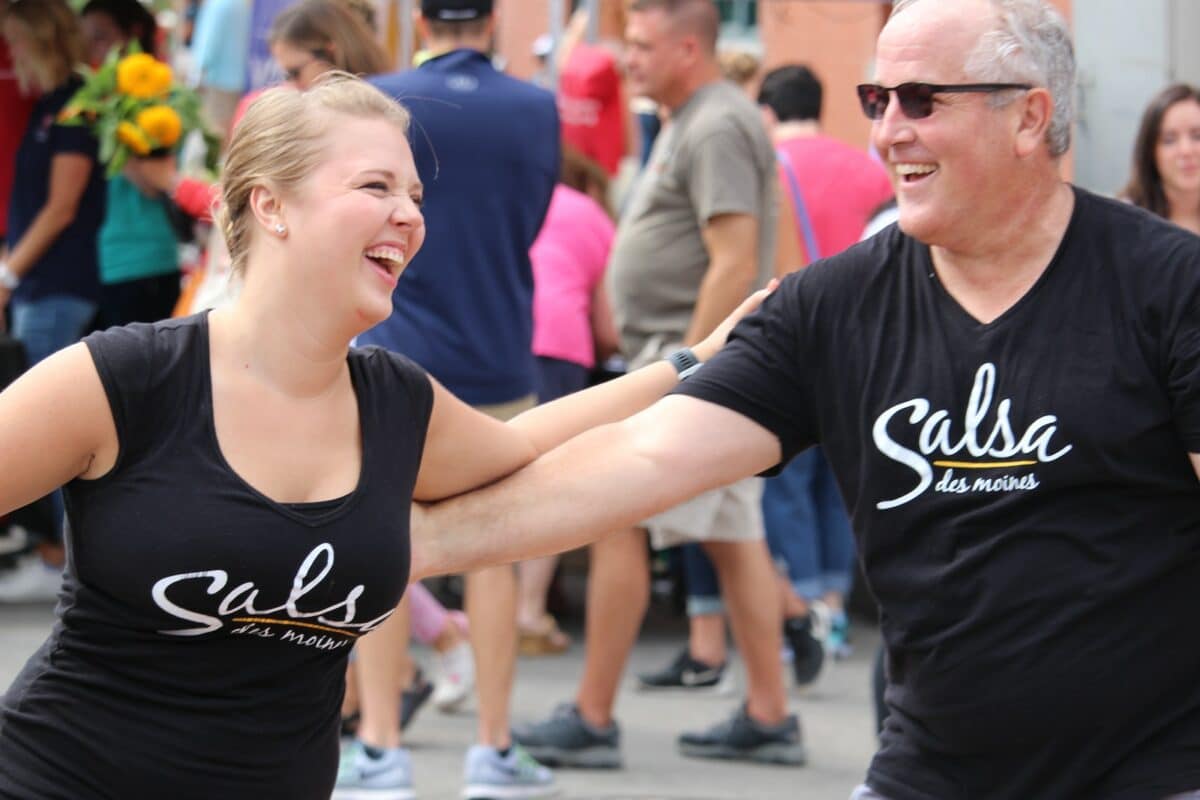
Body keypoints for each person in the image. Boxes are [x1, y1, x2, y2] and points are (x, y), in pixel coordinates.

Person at [418, 0, 1200, 798]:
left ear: (1030, 116)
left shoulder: (1168, 286)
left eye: (921, 99)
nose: (887, 131)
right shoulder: (833, 306)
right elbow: (641, 456)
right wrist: (411, 544)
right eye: (876, 99)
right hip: (928, 773)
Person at [0, 71, 767, 800]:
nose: (410, 214)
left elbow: (528, 446)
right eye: (375, 187)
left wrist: (690, 363)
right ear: (271, 207)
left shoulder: (394, 403)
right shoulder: (125, 381)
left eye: (414, 194)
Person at [513, 0, 799, 769]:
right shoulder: (693, 117)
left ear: (687, 46)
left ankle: (594, 715)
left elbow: (735, 258)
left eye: (640, 46)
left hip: (693, 369)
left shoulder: (713, 124)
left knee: (616, 521)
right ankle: (771, 711)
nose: (626, 59)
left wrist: (688, 377)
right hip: (695, 363)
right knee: (734, 538)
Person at [346, 1, 562, 797]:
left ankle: (379, 748)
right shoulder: (537, 105)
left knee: (383, 546)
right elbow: (534, 216)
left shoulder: (384, 98)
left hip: (398, 344)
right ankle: (494, 750)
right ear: (492, 20)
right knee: (496, 555)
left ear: (424, 16)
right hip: (500, 340)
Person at [0, 0, 106, 603]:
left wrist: (9, 273)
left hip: (56, 283)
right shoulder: (52, 104)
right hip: (43, 284)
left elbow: (60, 206)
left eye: (18, 45)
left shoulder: (74, 106)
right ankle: (61, 561)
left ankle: (74, 568)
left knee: (49, 434)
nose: (13, 60)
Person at [517, 145, 620, 656]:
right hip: (559, 346)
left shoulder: (516, 196)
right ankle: (528, 611)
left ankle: (480, 605)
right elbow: (608, 326)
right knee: (545, 477)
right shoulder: (591, 216)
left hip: (500, 339)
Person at [80, 0, 183, 330]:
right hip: (108, 262)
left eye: (101, 37)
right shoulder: (102, 97)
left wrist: (112, 131)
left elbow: (155, 179)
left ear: (134, 33)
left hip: (144, 261)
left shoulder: (159, 99)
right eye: (88, 40)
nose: (96, 50)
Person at [1121, 83, 1200, 235]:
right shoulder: (1124, 221)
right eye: (1169, 140)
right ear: (1150, 151)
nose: (1186, 151)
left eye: (1197, 136)